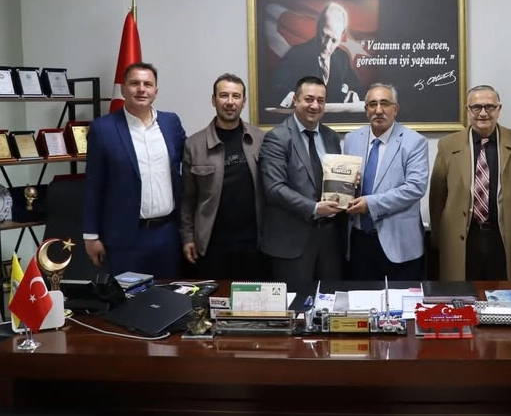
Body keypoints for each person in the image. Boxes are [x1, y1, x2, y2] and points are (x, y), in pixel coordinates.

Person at [83, 62, 186, 278]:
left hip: (167, 234)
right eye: (134, 83)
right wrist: (91, 236)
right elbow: (94, 185)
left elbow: (188, 164)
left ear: (156, 91)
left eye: (148, 84)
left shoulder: (171, 123)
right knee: (130, 297)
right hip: (125, 237)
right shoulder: (103, 129)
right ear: (123, 89)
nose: (141, 89)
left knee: (170, 294)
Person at [429, 85, 511, 281]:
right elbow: (437, 197)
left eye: (489, 107)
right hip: (464, 237)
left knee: (506, 293)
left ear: (499, 109)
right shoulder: (448, 145)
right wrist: (438, 236)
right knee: (463, 293)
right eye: (476, 107)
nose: (483, 113)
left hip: (504, 236)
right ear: (468, 110)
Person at [179, 73, 267, 280]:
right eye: (224, 95)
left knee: (253, 299)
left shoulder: (261, 139)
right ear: (214, 100)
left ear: (244, 101)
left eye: (236, 96)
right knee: (216, 298)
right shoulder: (194, 144)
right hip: (212, 244)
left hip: (254, 243)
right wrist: (188, 237)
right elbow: (188, 198)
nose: (230, 102)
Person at [260, 76, 346, 284]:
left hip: (330, 243)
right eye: (309, 99)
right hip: (292, 243)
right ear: (295, 100)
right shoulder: (277, 137)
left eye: (320, 100)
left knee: (329, 299)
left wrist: (349, 183)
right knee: (296, 302)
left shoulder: (331, 137)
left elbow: (333, 180)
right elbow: (274, 188)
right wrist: (315, 208)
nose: (315, 106)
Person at [343, 83, 429, 280]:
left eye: (385, 103)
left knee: (401, 298)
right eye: (373, 104)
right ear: (366, 110)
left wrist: (370, 204)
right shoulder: (351, 139)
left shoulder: (414, 142)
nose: (378, 110)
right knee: (360, 297)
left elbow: (415, 188)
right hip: (359, 239)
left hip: (399, 243)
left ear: (395, 109)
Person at [272, 2, 363, 107]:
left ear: (342, 34)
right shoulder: (295, 55)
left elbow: (360, 90)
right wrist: (291, 97)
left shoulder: (343, 58)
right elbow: (275, 91)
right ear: (318, 26)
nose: (327, 46)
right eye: (325, 35)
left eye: (334, 40)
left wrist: (355, 94)